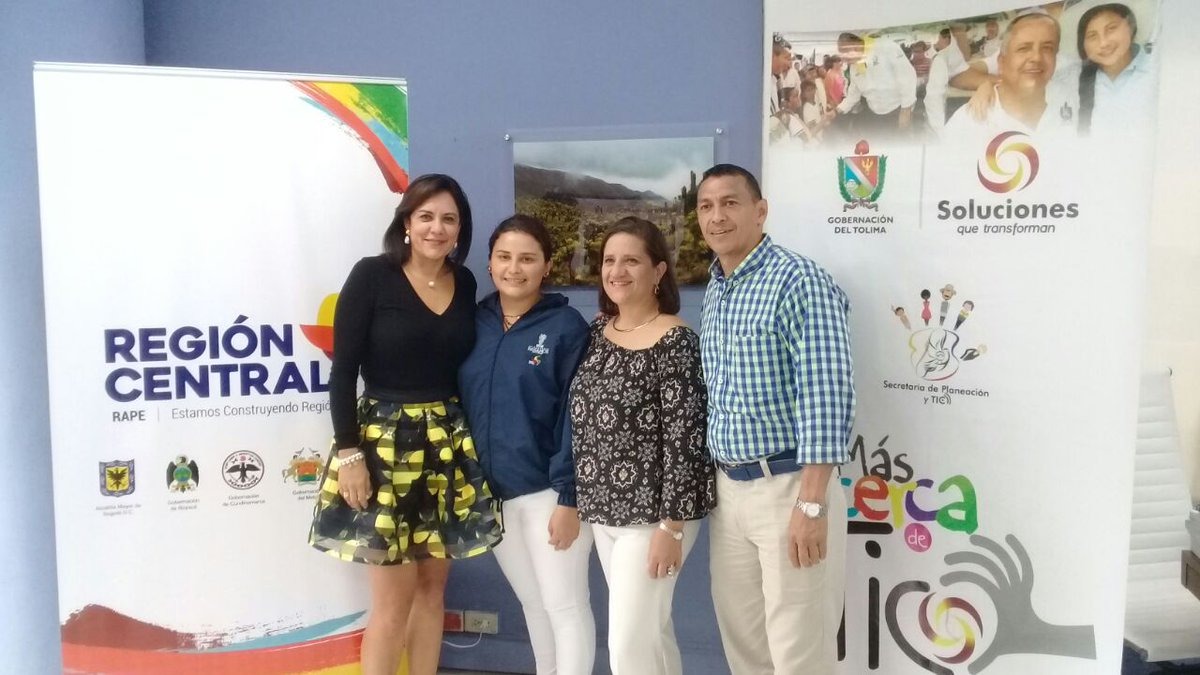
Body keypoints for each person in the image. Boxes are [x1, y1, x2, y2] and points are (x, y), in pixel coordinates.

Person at [308, 174, 503, 675]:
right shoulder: (372, 275)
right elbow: (342, 372)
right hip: (382, 445)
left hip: (445, 444)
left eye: (449, 219)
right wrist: (349, 454)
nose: (437, 228)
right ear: (407, 224)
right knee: (393, 599)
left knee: (432, 590)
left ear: (459, 231)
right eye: (426, 216)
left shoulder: (465, 283)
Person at [697, 164, 855, 674]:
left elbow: (826, 393)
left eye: (730, 203)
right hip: (730, 492)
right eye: (706, 206)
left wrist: (811, 503)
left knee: (799, 653)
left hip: (789, 489)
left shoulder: (799, 281)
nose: (717, 217)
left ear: (760, 211)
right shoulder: (718, 288)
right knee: (746, 649)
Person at [568, 217, 715, 675]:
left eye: (631, 260)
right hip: (603, 512)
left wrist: (671, 528)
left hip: (652, 520)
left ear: (659, 271)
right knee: (652, 635)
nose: (617, 271)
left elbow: (686, 441)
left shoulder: (676, 341)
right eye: (609, 260)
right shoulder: (597, 334)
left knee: (627, 647)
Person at [458, 215, 595, 675]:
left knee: (565, 606)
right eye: (504, 257)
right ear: (490, 263)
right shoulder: (475, 322)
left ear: (547, 266)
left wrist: (569, 498)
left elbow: (577, 416)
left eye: (527, 258)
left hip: (550, 494)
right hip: (495, 496)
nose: (513, 268)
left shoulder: (566, 327)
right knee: (533, 605)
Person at [943, 12, 1076, 141]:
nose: (1036, 57)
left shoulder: (1076, 101)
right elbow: (960, 73)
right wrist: (993, 83)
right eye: (1023, 49)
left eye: (1047, 48)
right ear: (1001, 62)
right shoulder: (968, 124)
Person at [1073, 3, 1154, 136]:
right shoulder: (1072, 81)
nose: (1103, 43)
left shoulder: (1158, 69)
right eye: (1092, 36)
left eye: (1111, 29)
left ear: (1130, 27)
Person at [829, 32, 919, 139]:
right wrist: (836, 111)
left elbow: (907, 77)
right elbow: (853, 96)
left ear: (856, 46)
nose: (844, 60)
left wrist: (906, 109)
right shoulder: (854, 68)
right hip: (874, 114)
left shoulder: (886, 47)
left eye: (845, 53)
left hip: (898, 110)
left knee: (900, 144)